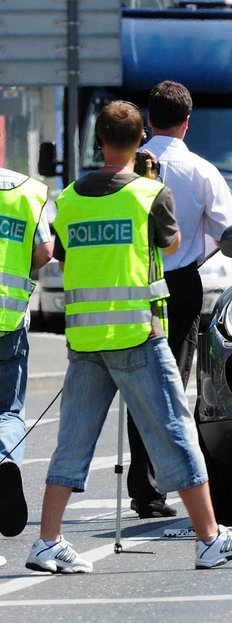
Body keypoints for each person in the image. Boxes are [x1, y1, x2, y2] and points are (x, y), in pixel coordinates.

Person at [26, 101, 232, 573]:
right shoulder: (148, 194)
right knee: (175, 430)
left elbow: (66, 258)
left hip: (86, 338)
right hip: (138, 332)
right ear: (140, 143)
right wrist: (151, 182)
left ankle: (47, 541)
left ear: (99, 141)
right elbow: (171, 245)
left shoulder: (69, 199)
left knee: (73, 441)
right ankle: (210, 538)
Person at [124, 80, 232, 519]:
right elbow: (231, 231)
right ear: (187, 123)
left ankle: (146, 488)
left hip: (130, 282)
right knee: (173, 382)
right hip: (179, 285)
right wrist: (199, 247)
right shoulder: (201, 171)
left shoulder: (126, 167)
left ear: (148, 120)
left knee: (140, 381)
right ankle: (186, 482)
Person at [0, 167, 54, 564]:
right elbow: (46, 252)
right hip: (8, 320)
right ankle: (5, 458)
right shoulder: (28, 191)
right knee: (8, 409)